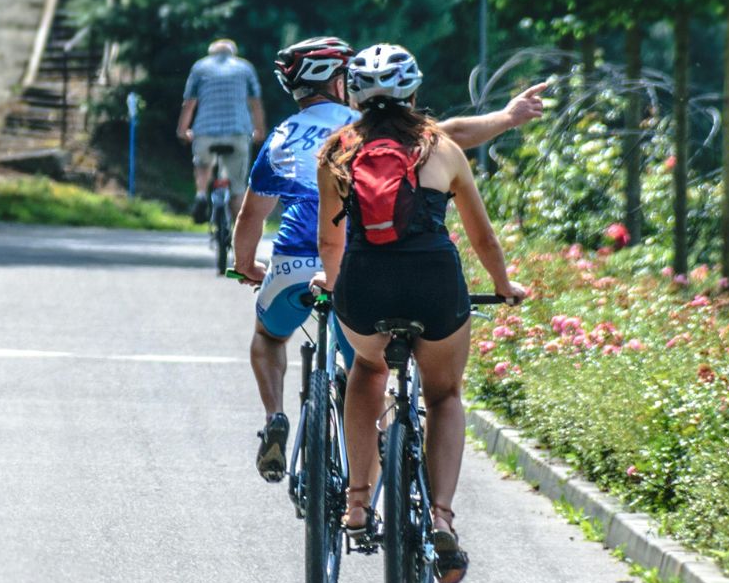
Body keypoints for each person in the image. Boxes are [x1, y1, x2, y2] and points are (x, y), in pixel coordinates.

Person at [234, 39, 546, 486]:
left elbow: (252, 215)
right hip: (378, 268)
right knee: (372, 371)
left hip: (300, 266)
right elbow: (451, 134)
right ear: (340, 84)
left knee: (269, 334)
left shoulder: (291, 137)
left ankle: (275, 416)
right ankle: (390, 463)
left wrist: (246, 263)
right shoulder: (372, 130)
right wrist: (507, 117)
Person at [311, 44, 527, 583]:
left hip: (364, 285)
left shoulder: (336, 150)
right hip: (434, 284)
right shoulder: (442, 147)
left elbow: (329, 241)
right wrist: (504, 287)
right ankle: (441, 517)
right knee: (445, 396)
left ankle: (358, 503)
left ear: (353, 95)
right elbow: (481, 236)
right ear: (412, 90)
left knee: (367, 370)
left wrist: (332, 284)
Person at [177, 39, 264, 223]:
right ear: (233, 52)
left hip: (205, 132)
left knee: (202, 164)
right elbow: (255, 103)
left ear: (211, 53)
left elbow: (189, 103)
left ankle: (201, 194)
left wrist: (183, 130)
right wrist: (259, 130)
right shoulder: (245, 68)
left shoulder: (200, 67)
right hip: (238, 132)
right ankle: (235, 234)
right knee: (237, 188)